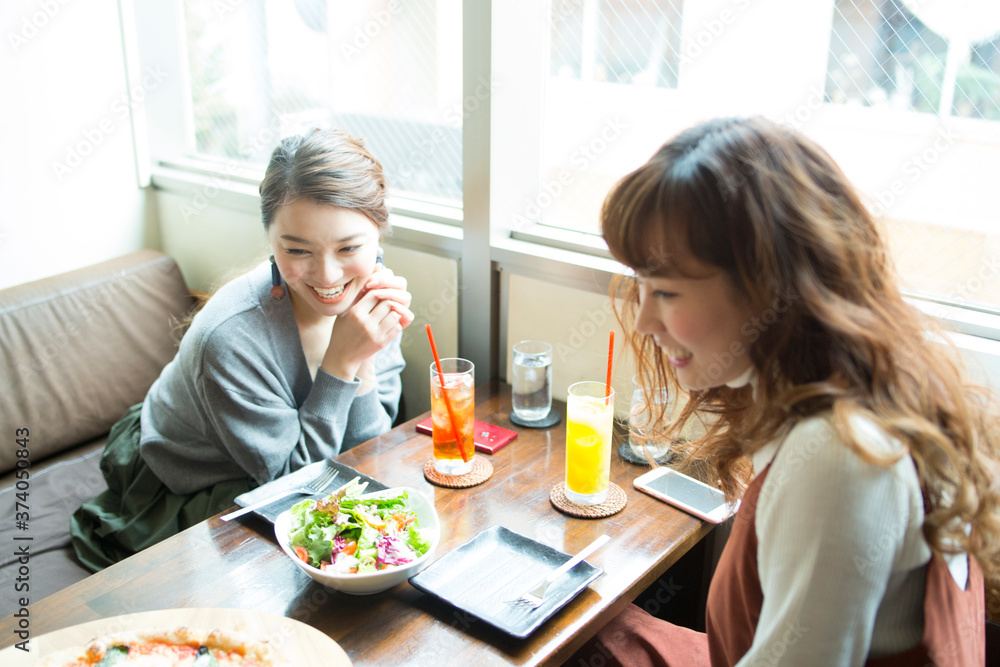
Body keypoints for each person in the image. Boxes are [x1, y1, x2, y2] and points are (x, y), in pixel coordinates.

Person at [571, 117, 998, 665]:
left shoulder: (840, 459)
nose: (646, 320)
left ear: (768, 288)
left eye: (668, 292)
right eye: (641, 287)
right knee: (583, 619)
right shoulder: (880, 384)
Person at [72, 128, 414, 571]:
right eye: (297, 249)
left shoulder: (376, 301)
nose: (328, 276)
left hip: (285, 470)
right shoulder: (230, 336)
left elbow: (365, 455)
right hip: (191, 474)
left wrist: (362, 355)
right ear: (270, 240)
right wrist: (342, 361)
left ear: (379, 236)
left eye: (349, 247)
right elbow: (293, 491)